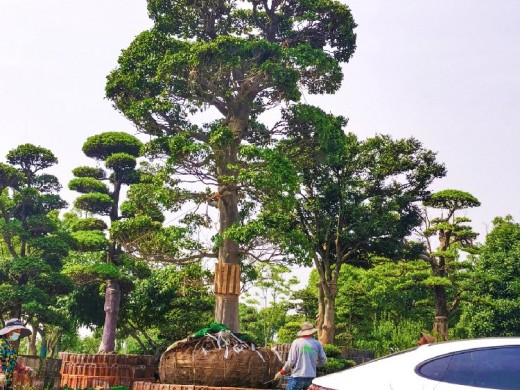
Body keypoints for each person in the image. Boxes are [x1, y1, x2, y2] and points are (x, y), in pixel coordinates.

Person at [274, 321, 327, 390]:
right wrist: (313, 365)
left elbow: (291, 361)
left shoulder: (297, 342)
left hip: (297, 377)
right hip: (310, 378)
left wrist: (281, 372)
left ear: (302, 332)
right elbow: (324, 360)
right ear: (312, 332)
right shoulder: (317, 343)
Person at [0, 318, 35, 390]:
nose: (19, 333)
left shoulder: (11, 346)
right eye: (17, 330)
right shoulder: (1, 343)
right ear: (9, 331)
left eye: (19, 330)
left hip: (6, 383)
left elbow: (12, 362)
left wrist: (24, 369)